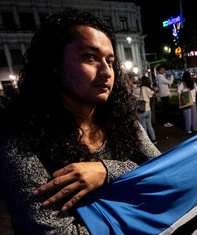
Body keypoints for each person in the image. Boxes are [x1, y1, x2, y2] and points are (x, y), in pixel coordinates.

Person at [0, 8, 160, 234]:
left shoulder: (122, 123)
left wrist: (107, 171)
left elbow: (164, 172)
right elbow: (57, 231)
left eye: (110, 61)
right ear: (54, 63)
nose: (106, 72)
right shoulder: (20, 141)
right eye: (89, 57)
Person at [133, 76, 158, 144]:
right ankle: (154, 139)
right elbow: (153, 93)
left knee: (144, 127)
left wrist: (137, 84)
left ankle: (147, 143)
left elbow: (132, 91)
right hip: (148, 110)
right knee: (149, 125)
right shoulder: (148, 89)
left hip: (141, 110)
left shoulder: (139, 89)